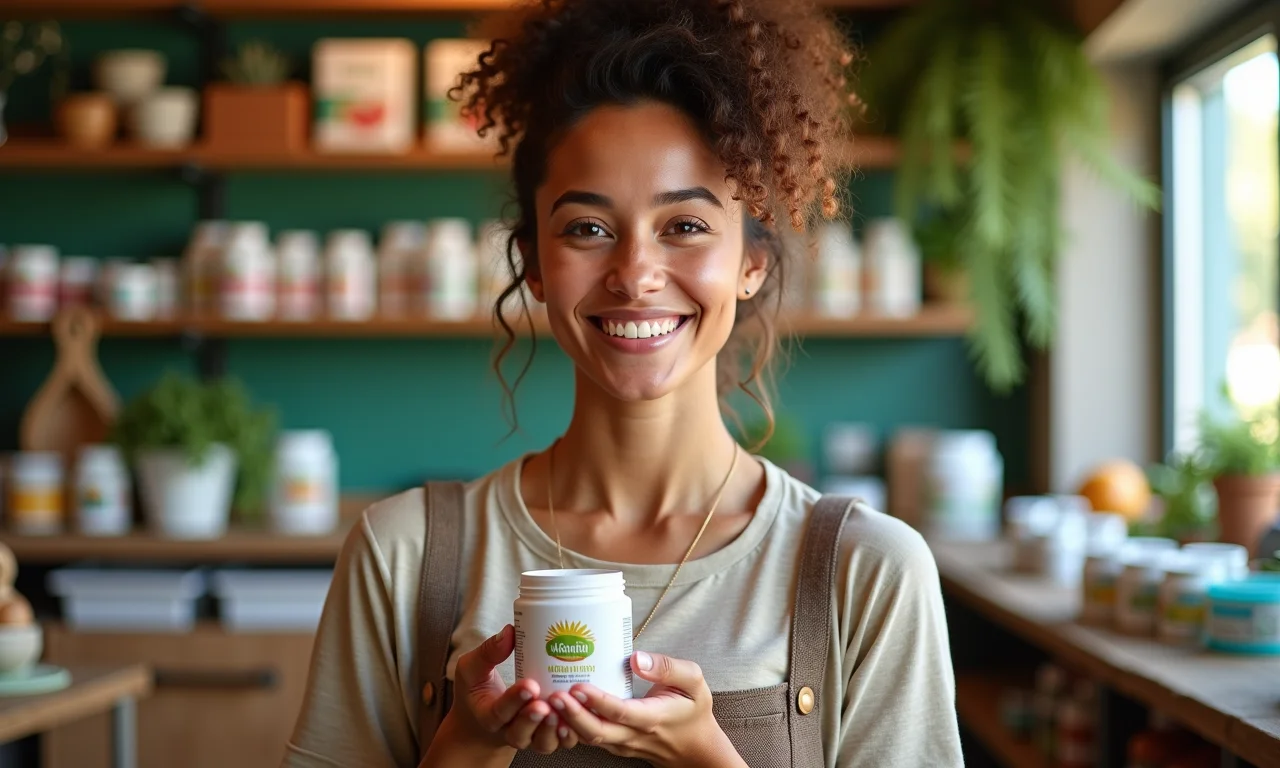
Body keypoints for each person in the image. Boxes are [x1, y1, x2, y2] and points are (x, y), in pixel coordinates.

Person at [283, 0, 963, 766]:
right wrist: (465, 750)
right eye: (587, 228)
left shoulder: (867, 574)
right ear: (533, 264)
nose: (635, 274)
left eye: (685, 226)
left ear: (752, 262)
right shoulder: (401, 556)